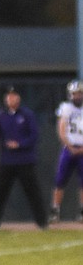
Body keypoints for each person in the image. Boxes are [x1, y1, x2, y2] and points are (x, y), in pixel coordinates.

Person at [0, 86, 48, 229]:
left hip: (25, 160)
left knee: (33, 192)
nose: (11, 99)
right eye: (8, 96)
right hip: (7, 161)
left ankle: (42, 222)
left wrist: (19, 144)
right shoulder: (1, 116)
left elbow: (34, 136)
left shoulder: (27, 115)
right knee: (0, 192)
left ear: (18, 98)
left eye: (13, 96)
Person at [50, 80, 83, 223]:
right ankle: (55, 210)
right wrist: (69, 146)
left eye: (79, 93)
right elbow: (61, 128)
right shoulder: (65, 108)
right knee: (60, 181)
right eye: (75, 93)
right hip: (68, 148)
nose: (77, 96)